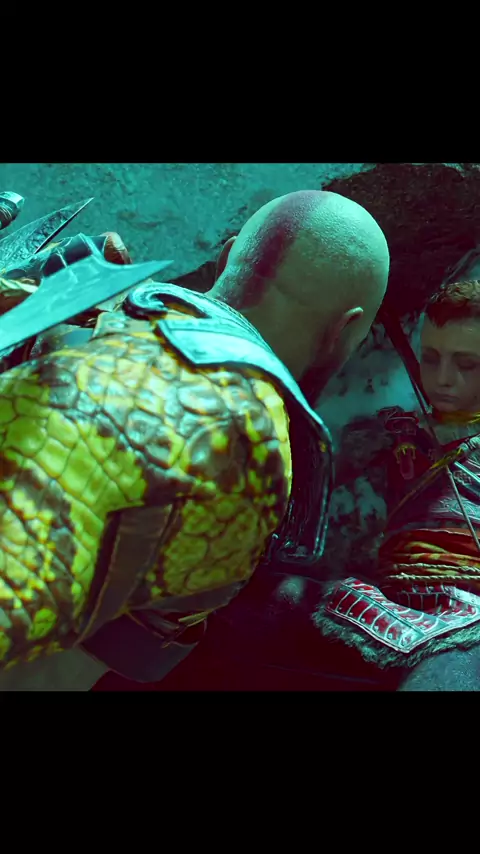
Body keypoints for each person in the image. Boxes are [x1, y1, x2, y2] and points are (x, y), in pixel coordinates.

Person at [0, 189, 390, 690]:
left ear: (226, 257)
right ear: (345, 329)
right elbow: (49, 674)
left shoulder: (82, 297)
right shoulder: (257, 454)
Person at [314, 278, 480, 691]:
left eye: (466, 365)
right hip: (392, 598)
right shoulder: (398, 432)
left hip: (471, 615)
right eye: (431, 358)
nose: (443, 379)